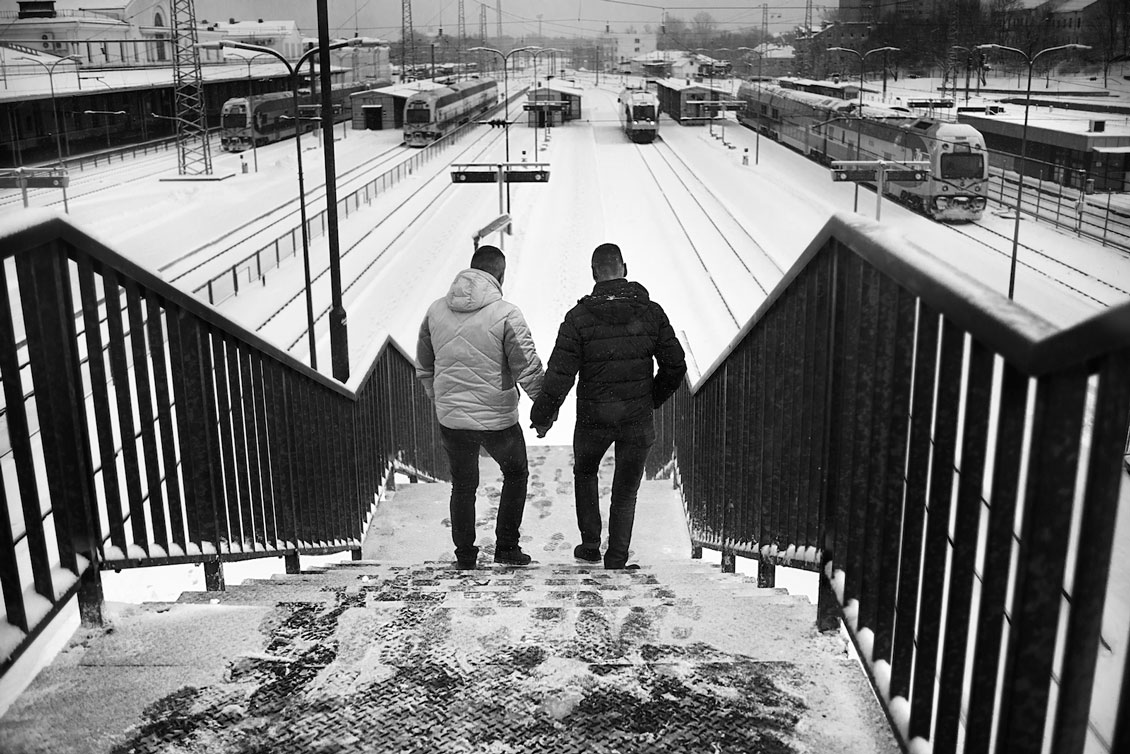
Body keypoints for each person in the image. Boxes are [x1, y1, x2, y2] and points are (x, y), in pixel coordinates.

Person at [530, 243, 687, 570]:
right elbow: (674, 367)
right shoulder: (651, 312)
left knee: (585, 473)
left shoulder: (578, 318)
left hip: (593, 418)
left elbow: (561, 374)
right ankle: (616, 557)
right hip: (636, 420)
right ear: (624, 268)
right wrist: (649, 399)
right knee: (626, 491)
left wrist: (542, 416)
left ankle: (590, 545)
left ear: (593, 273)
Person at [416, 245, 544, 569]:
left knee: (463, 484)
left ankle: (465, 556)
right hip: (498, 419)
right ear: (499, 275)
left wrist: (443, 400)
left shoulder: (434, 312)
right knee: (515, 473)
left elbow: (424, 367)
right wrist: (544, 409)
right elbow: (526, 368)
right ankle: (507, 546)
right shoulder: (506, 314)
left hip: (453, 422)